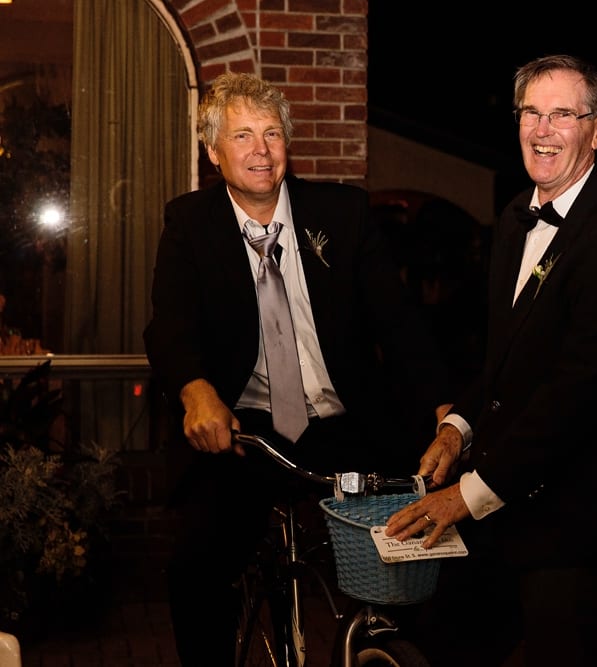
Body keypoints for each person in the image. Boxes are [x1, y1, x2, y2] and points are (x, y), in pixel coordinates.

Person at [142, 72, 451, 666]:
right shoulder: (190, 224)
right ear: (213, 152)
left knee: (421, 551)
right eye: (242, 135)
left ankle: (384, 650)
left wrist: (444, 410)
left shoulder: (343, 211)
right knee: (196, 570)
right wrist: (196, 390)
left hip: (345, 425)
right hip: (245, 433)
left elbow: (399, 323)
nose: (260, 149)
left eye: (271, 133)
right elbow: (169, 325)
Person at [385, 54, 597, 666]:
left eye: (563, 114)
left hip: (577, 521)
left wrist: (466, 495)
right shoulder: (517, 216)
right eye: (531, 113)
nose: (542, 130)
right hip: (505, 504)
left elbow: (579, 397)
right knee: (439, 645)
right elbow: (506, 357)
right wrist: (457, 427)